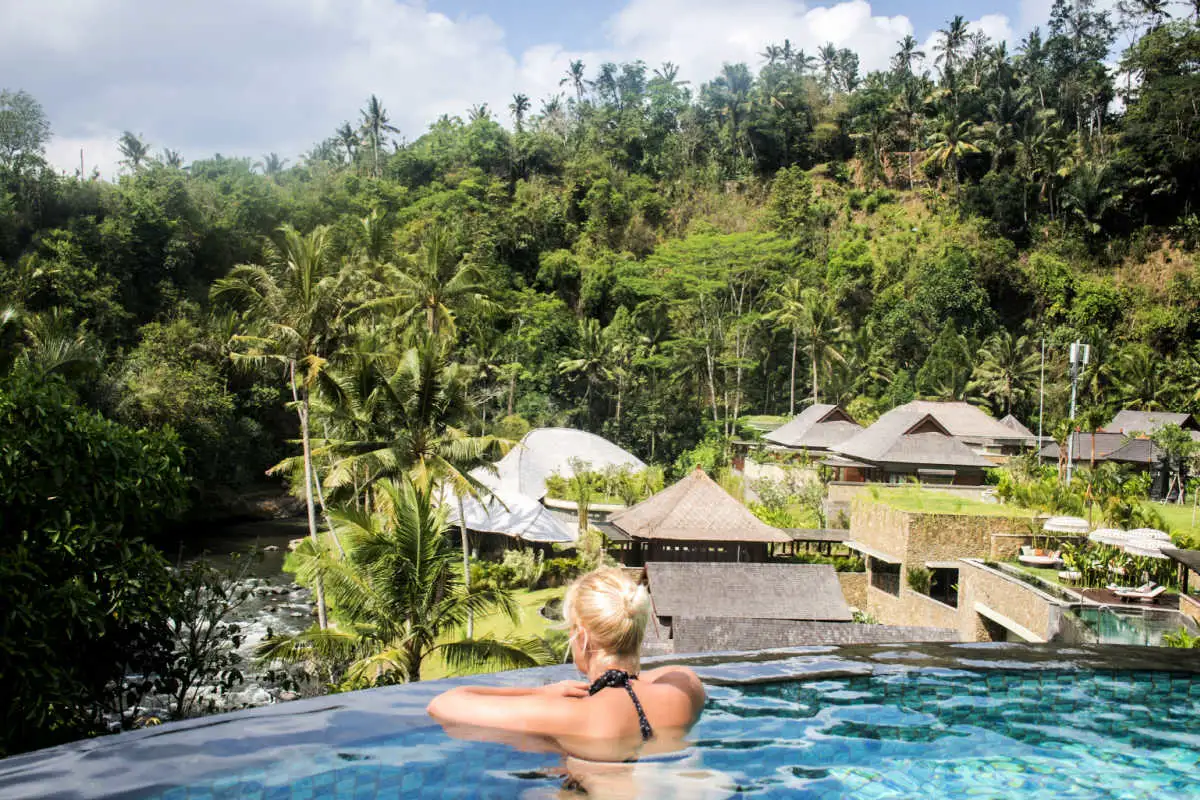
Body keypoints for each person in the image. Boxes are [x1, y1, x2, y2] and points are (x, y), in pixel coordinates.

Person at [427, 567, 706, 764]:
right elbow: (649, 680)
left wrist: (541, 694)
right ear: (637, 630)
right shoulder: (685, 689)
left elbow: (444, 703)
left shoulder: (568, 714)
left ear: (581, 637)